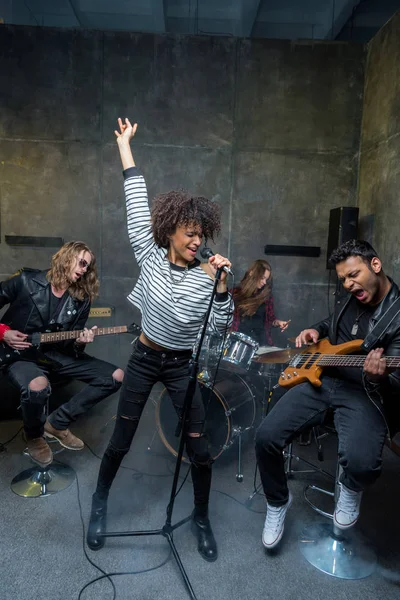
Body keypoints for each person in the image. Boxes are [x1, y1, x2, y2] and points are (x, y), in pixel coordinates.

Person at [87, 118, 233, 562]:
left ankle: (202, 518)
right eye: (188, 232)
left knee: (200, 449)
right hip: (145, 358)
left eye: (201, 234)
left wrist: (222, 287)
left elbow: (218, 327)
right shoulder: (149, 256)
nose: (196, 240)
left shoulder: (209, 275)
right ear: (169, 231)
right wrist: (125, 148)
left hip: (182, 365)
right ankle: (99, 505)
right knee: (120, 440)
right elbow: (134, 201)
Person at [255, 239, 400, 549]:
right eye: (344, 279)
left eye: (354, 275)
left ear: (375, 265)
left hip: (365, 393)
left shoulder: (398, 315)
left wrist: (381, 375)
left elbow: (397, 383)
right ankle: (278, 501)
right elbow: (334, 324)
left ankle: (349, 487)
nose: (348, 284)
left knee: (362, 464)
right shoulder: (350, 294)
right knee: (266, 436)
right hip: (324, 377)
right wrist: (316, 331)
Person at [0, 242, 124, 466]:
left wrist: (80, 342)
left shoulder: (81, 299)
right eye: (83, 263)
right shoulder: (26, 281)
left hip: (55, 355)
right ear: (68, 257)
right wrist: (3, 332)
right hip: (21, 354)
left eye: (89, 267)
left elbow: (69, 347)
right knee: (37, 385)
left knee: (115, 376)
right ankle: (34, 436)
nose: (85, 270)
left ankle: (57, 423)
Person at [231, 259, 290, 347]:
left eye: (266, 279)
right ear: (252, 273)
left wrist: (279, 323)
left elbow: (270, 320)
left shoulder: (267, 296)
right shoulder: (234, 293)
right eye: (262, 278)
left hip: (261, 343)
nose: (264, 282)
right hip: (238, 345)